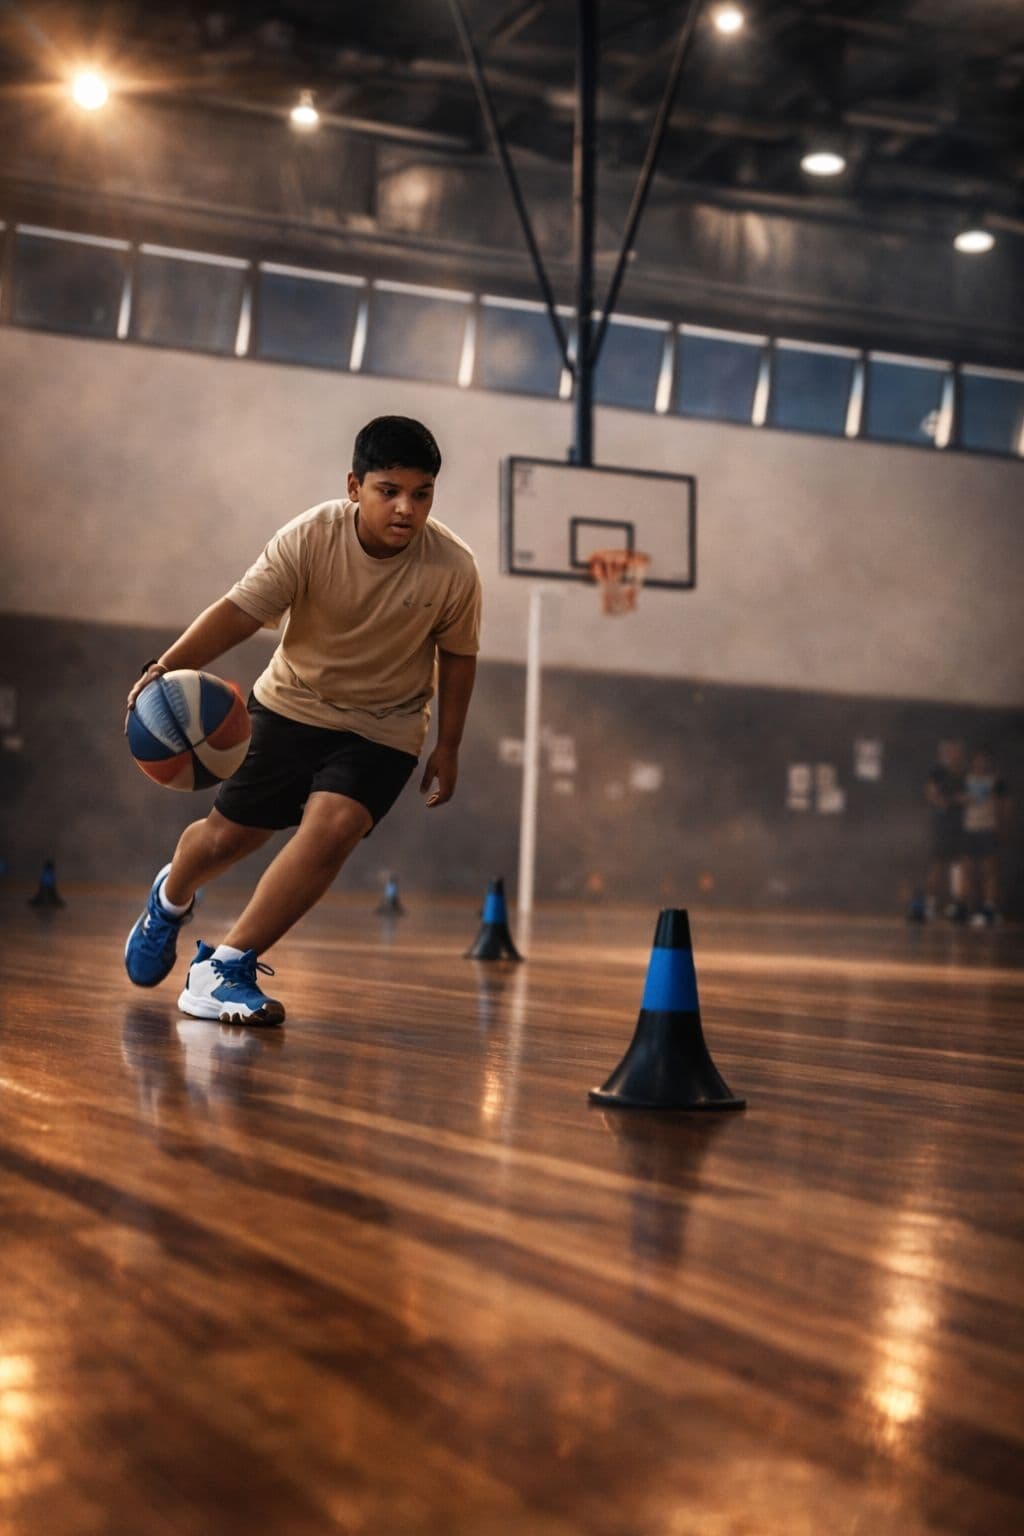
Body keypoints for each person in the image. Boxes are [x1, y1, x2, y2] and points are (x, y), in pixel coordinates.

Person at [124, 416, 481, 1024]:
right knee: (227, 839)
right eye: (388, 491)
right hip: (291, 706)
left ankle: (224, 967)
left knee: (334, 827)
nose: (405, 509)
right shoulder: (311, 537)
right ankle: (170, 897)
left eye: (421, 494)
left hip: (385, 727)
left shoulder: (453, 568)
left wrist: (448, 746)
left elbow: (459, 656)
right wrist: (164, 666)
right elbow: (240, 611)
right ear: (353, 486)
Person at [962, 745, 1011, 926]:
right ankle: (970, 908)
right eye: (977, 759)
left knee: (989, 870)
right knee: (969, 871)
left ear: (988, 761)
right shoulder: (965, 779)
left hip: (988, 828)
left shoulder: (996, 781)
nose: (980, 763)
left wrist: (1002, 828)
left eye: (984, 759)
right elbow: (957, 801)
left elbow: (1005, 806)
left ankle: (989, 908)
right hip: (969, 829)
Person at [921, 739, 966, 921]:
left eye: (956, 751)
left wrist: (956, 801)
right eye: (950, 751)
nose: (953, 754)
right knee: (938, 866)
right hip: (942, 827)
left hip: (959, 826)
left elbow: (967, 798)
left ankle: (956, 906)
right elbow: (931, 793)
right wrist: (943, 800)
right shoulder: (938, 773)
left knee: (957, 866)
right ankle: (930, 905)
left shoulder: (964, 774)